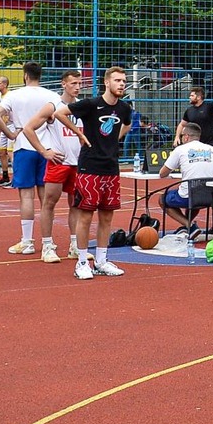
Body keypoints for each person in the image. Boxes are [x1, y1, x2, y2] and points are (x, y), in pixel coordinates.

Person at [29, 67, 132, 279]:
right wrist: (79, 133)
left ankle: (101, 261)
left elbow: (127, 125)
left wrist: (114, 140)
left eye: (124, 80)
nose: (121, 84)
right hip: (89, 168)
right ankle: (82, 262)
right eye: (117, 80)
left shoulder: (124, 108)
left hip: (111, 168)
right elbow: (60, 114)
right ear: (107, 83)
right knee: (84, 215)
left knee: (107, 217)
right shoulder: (91, 104)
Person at [0, 61, 64, 256]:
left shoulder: (15, 95)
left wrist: (10, 134)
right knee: (46, 198)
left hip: (24, 146)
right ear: (40, 75)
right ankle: (47, 241)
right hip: (47, 147)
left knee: (26, 195)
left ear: (25, 75)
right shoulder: (51, 95)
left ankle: (27, 241)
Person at [34, 69, 86, 262]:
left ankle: (74, 246)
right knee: (49, 203)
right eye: (73, 83)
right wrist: (44, 151)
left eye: (80, 83)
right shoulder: (53, 106)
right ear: (64, 84)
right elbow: (29, 128)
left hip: (78, 162)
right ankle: (47, 246)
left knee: (77, 205)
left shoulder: (82, 106)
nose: (77, 87)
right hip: (59, 161)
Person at [159, 121, 213, 238]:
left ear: (186, 137)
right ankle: (187, 226)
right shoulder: (212, 149)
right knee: (195, 193)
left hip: (189, 195)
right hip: (209, 196)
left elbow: (162, 173)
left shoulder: (180, 150)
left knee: (163, 199)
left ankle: (189, 225)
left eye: (182, 136)